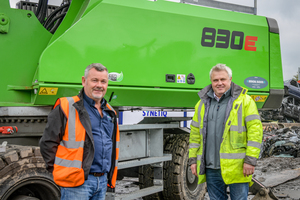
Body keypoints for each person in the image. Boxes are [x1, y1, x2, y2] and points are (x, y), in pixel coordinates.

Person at [40, 63, 119, 200]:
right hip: (77, 183)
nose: (99, 85)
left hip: (102, 181)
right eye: (94, 80)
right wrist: (61, 172)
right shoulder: (67, 106)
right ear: (84, 81)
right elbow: (47, 143)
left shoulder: (110, 112)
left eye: (103, 81)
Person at [189, 64, 262, 200]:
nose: (219, 83)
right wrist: (193, 160)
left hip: (238, 167)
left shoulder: (244, 102)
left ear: (230, 79)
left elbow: (255, 132)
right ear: (211, 81)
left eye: (223, 79)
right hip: (212, 168)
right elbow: (194, 135)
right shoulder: (202, 104)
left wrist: (250, 161)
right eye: (215, 80)